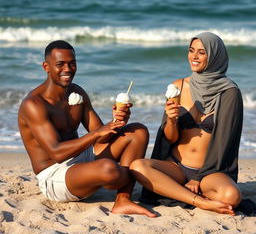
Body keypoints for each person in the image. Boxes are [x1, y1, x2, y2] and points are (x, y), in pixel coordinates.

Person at [18, 40, 156, 218]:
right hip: (54, 175)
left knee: (138, 131)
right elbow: (56, 153)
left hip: (81, 160)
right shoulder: (34, 104)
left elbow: (102, 137)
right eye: (60, 64)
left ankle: (123, 199)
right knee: (108, 169)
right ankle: (135, 175)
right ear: (46, 66)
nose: (67, 69)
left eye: (72, 63)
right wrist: (98, 133)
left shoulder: (77, 92)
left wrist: (117, 121)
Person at [130, 32, 243, 215]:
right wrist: (172, 121)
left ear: (214, 56)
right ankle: (200, 201)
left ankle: (177, 191)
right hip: (176, 167)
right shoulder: (178, 86)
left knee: (231, 196)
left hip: (209, 172)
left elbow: (225, 143)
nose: (194, 57)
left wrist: (198, 178)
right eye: (191, 51)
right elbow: (169, 138)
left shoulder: (230, 93)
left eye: (201, 52)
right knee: (137, 167)